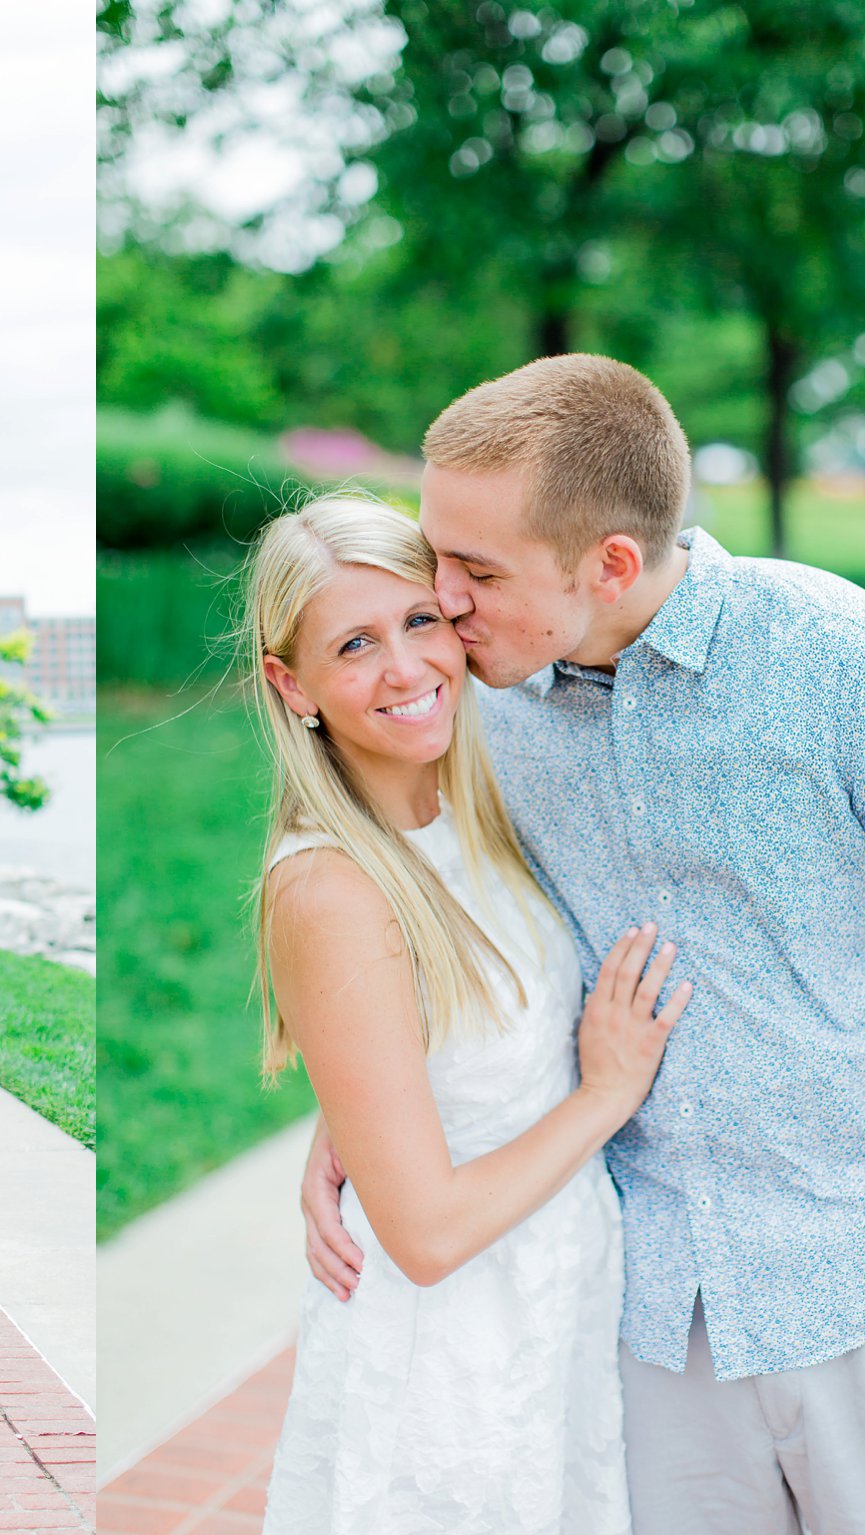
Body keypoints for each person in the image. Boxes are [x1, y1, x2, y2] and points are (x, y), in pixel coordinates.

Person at [299, 355, 865, 1533]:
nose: (441, 599)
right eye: (432, 553)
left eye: (475, 569)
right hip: (652, 1316)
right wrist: (358, 1107)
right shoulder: (487, 698)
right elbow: (451, 916)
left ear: (607, 562)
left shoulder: (844, 661)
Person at [246, 496, 690, 1533]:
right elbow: (427, 1233)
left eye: (419, 620)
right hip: (447, 1355)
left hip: (549, 1308)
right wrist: (606, 1092)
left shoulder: (470, 809)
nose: (405, 668)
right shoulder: (331, 888)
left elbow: (446, 1034)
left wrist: (355, 1108)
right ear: (290, 683)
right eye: (353, 643)